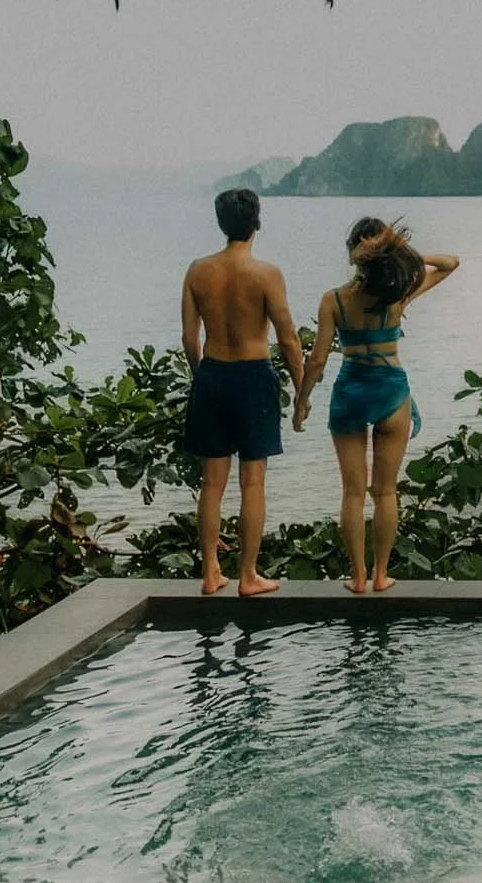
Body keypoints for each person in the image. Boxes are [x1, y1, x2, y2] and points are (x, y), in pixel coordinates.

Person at [294, 217, 459, 594]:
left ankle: (357, 577)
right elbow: (451, 263)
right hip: (390, 393)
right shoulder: (399, 293)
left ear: (353, 253)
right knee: (385, 491)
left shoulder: (333, 300)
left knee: (352, 491)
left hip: (351, 391)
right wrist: (402, 254)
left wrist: (301, 402)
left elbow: (317, 361)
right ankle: (381, 575)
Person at [180, 188, 305, 597]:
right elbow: (288, 340)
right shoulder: (266, 274)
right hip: (253, 376)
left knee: (212, 482)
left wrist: (203, 376)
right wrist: (302, 391)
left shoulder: (197, 271)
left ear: (221, 223)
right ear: (257, 222)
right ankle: (248, 576)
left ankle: (212, 573)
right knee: (253, 483)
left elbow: (188, 337)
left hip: (214, 374)